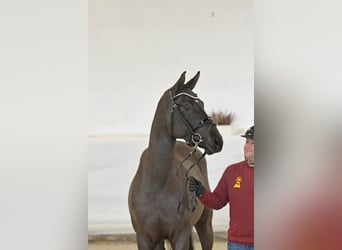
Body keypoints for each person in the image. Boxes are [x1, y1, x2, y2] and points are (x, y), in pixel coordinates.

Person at [189, 125, 254, 250]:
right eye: (247, 142)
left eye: (252, 143)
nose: (247, 146)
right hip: (237, 244)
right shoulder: (232, 171)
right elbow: (217, 201)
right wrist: (201, 192)